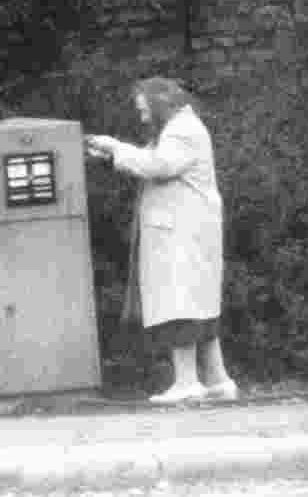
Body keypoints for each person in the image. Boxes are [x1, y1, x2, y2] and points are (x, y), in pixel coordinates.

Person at [86, 77, 238, 404]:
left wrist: (115, 147)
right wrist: (113, 153)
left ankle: (186, 384)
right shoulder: (180, 128)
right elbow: (153, 158)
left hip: (181, 234)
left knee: (180, 305)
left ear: (159, 104)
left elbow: (159, 165)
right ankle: (217, 380)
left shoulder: (182, 130)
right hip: (188, 231)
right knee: (200, 307)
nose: (141, 116)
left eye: (143, 109)